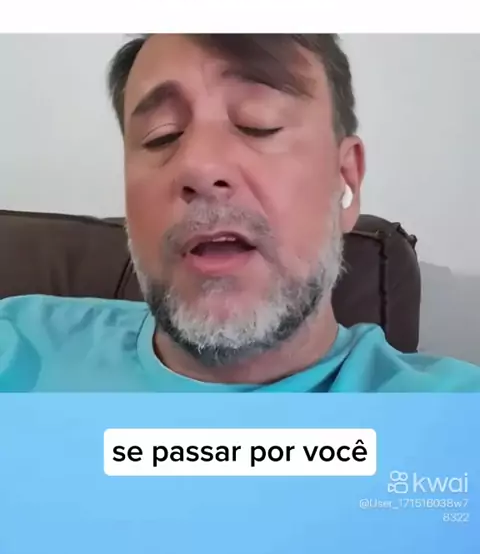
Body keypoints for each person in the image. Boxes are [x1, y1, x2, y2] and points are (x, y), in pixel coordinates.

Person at [1, 33, 479, 392]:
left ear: (345, 180)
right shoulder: (17, 345)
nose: (200, 166)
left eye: (258, 124)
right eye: (162, 136)